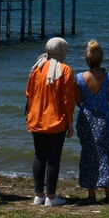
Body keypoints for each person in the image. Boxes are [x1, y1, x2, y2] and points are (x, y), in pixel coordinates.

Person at [25, 36, 76, 207]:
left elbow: (28, 94)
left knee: (39, 156)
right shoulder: (65, 70)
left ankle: (38, 195)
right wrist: (70, 124)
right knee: (54, 159)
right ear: (62, 51)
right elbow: (68, 101)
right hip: (56, 121)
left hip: (37, 119)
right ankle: (51, 197)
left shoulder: (36, 68)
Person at [76, 39, 109, 202]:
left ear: (87, 59)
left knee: (87, 154)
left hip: (86, 119)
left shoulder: (79, 78)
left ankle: (91, 194)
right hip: (104, 120)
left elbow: (78, 101)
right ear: (101, 58)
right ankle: (108, 193)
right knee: (104, 155)